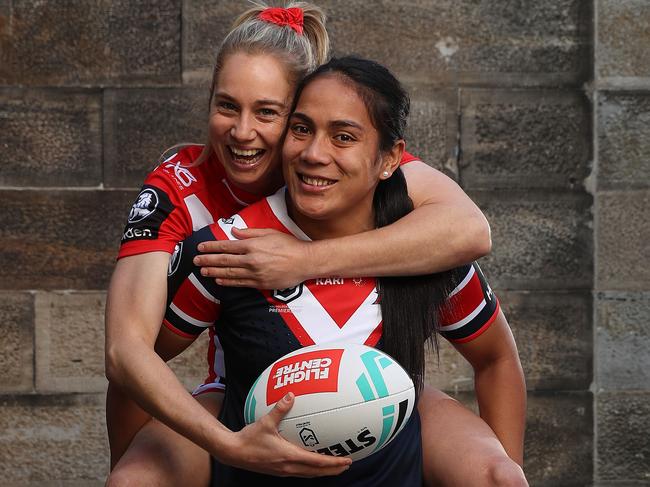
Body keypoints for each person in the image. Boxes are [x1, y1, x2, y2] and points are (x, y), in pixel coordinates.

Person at [103, 3, 506, 486]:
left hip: (367, 379)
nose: (242, 132)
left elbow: (470, 231)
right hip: (240, 386)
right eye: (227, 105)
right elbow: (127, 354)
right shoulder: (181, 189)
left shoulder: (341, 158)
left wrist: (303, 260)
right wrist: (166, 456)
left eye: (269, 113)